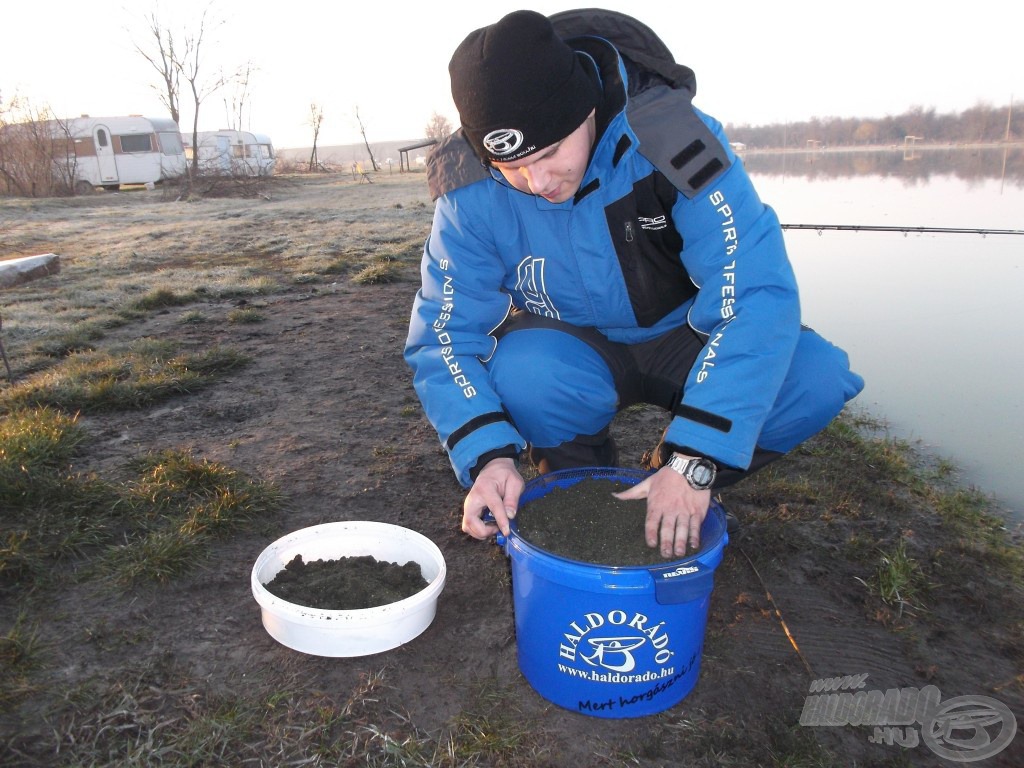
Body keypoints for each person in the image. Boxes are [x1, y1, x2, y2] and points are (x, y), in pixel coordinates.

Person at [404, 9, 864, 558]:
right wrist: (489, 456)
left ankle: (672, 474)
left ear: (586, 109)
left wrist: (694, 457)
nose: (538, 182)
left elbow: (756, 295)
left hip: (683, 333)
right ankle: (582, 492)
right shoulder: (467, 192)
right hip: (570, 345)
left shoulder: (674, 140)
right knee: (525, 374)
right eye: (513, 167)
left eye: (550, 153)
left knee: (815, 377)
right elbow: (444, 336)